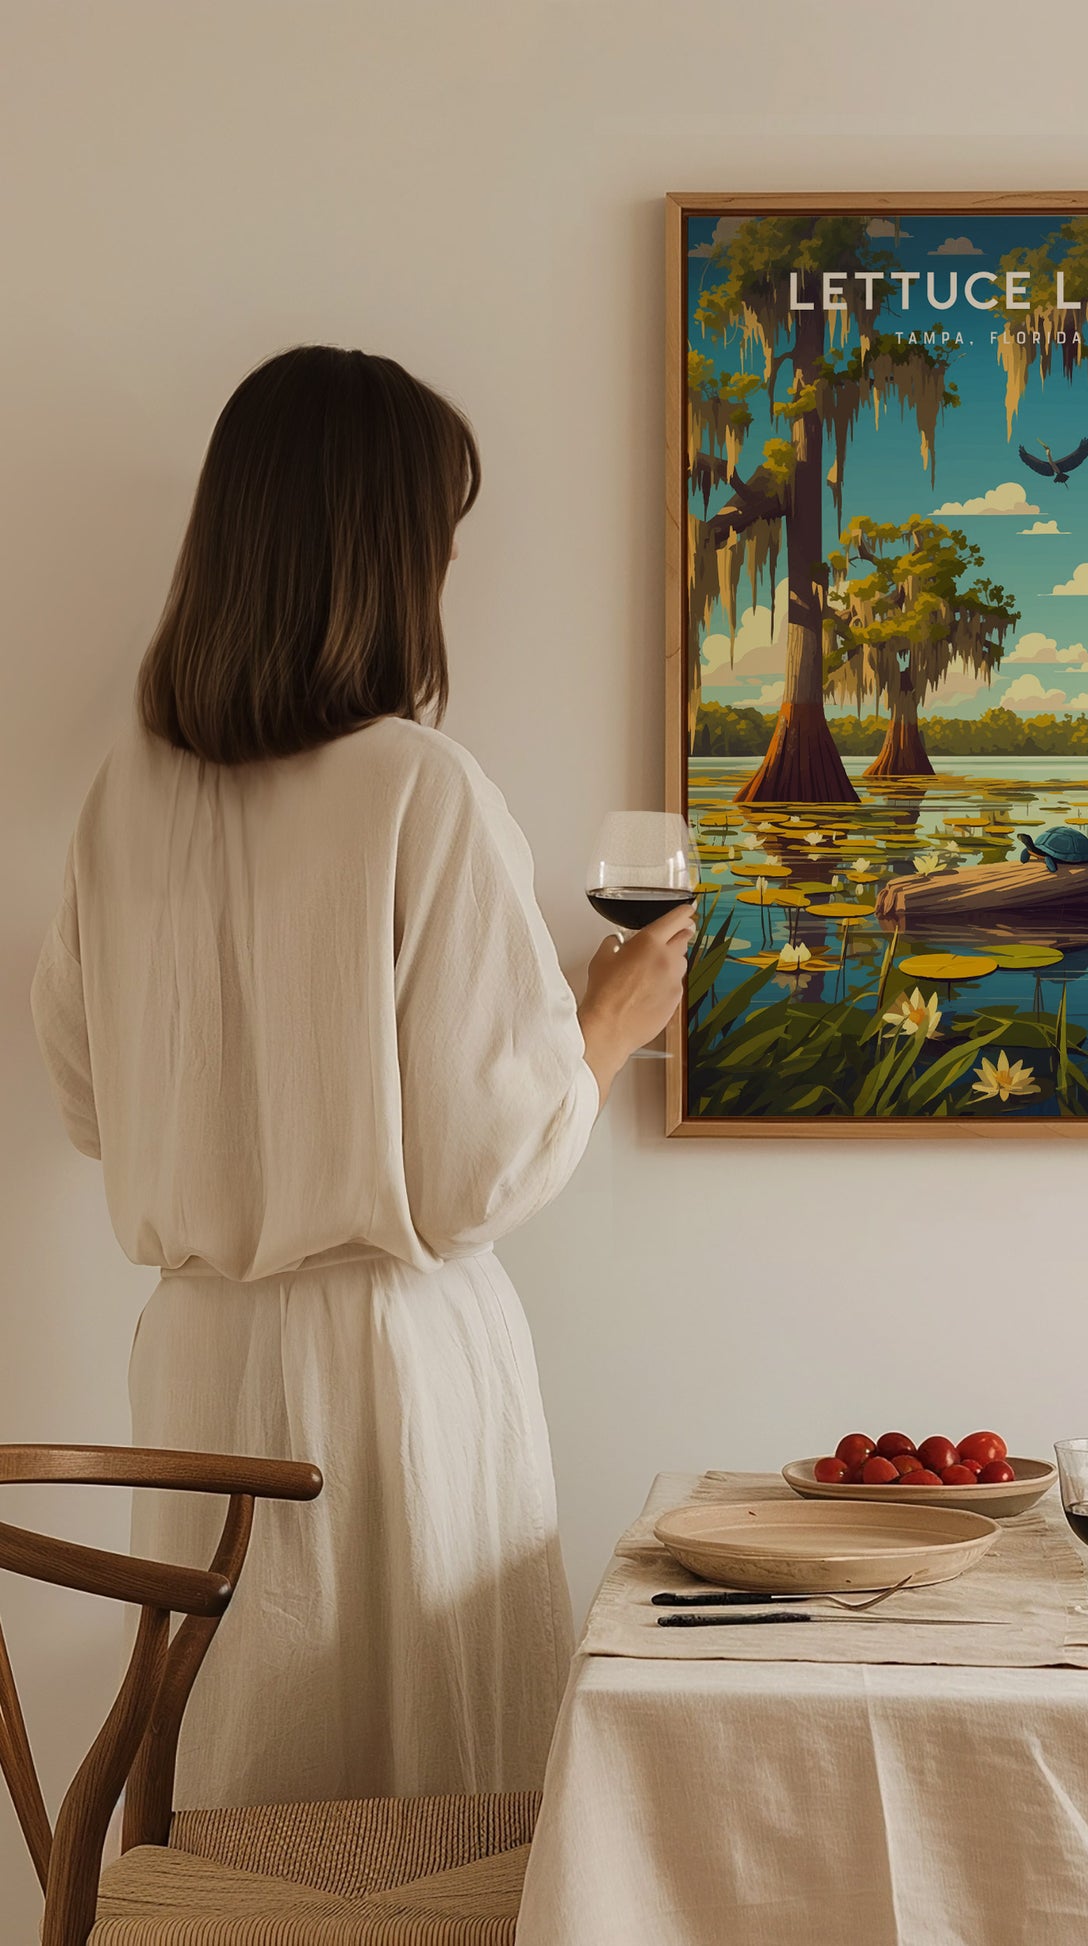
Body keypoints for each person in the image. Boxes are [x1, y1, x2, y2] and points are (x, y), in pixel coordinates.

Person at [29, 345, 692, 1806]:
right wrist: (607, 1020)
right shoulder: (418, 786)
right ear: (386, 556)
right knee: (425, 1813)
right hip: (391, 1374)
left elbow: (87, 1099)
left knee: (240, 1795)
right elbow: (474, 1173)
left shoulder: (122, 797)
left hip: (197, 1363)